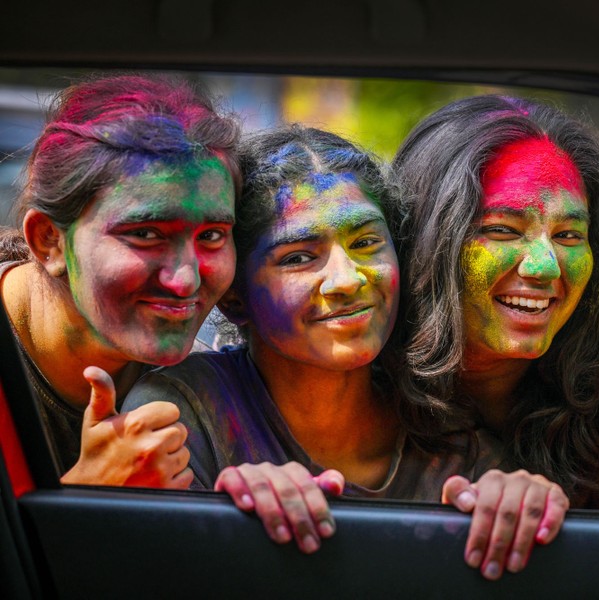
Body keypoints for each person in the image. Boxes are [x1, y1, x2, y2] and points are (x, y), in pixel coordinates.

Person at [122, 125, 568, 579]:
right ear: (234, 296)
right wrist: (232, 523)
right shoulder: (182, 414)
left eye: (366, 243)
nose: (348, 279)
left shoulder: (456, 447)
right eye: (298, 257)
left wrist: (523, 509)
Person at [391, 94, 599, 522]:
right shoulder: (358, 392)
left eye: (569, 236)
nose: (544, 266)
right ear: (429, 240)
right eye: (502, 230)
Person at [0, 74, 241, 487]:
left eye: (212, 235)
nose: (184, 281)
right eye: (146, 234)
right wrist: (90, 492)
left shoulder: (207, 380)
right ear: (49, 241)